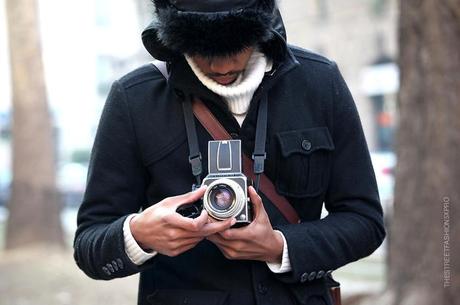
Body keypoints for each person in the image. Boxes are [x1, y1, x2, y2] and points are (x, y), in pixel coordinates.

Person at [73, 1, 386, 305]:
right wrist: (138, 235)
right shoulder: (134, 99)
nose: (220, 66)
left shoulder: (319, 82)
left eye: (235, 46)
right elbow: (89, 244)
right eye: (204, 49)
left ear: (260, 29)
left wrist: (280, 247)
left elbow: (365, 222)